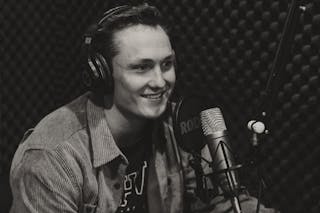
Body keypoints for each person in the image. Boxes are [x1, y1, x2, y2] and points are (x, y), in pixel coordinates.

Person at [9, 3, 277, 213]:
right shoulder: (53, 159)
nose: (161, 82)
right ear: (101, 74)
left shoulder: (177, 125)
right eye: (141, 67)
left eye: (167, 64)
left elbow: (217, 201)